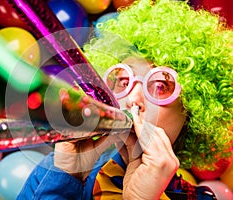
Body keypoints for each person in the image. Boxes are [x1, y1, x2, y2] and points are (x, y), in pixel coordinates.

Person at [17, 0, 233, 199]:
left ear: (193, 111)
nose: (132, 100)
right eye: (123, 80)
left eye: (160, 86)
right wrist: (66, 174)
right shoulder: (59, 171)